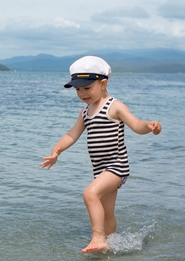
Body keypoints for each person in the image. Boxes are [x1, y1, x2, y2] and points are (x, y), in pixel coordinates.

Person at [41, 56, 161, 253]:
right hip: (100, 169)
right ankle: (110, 244)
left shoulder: (115, 106)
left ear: (103, 83)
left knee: (90, 194)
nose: (82, 93)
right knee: (107, 212)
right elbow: (72, 135)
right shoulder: (85, 112)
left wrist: (149, 126)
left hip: (116, 166)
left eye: (87, 88)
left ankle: (97, 237)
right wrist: (57, 151)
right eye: (78, 89)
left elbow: (136, 125)